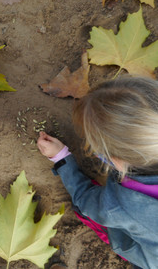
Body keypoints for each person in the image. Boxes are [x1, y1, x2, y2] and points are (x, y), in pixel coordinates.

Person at [37, 77, 158, 269]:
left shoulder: (116, 207)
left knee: (93, 217)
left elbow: (85, 198)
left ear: (116, 162)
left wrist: (61, 158)